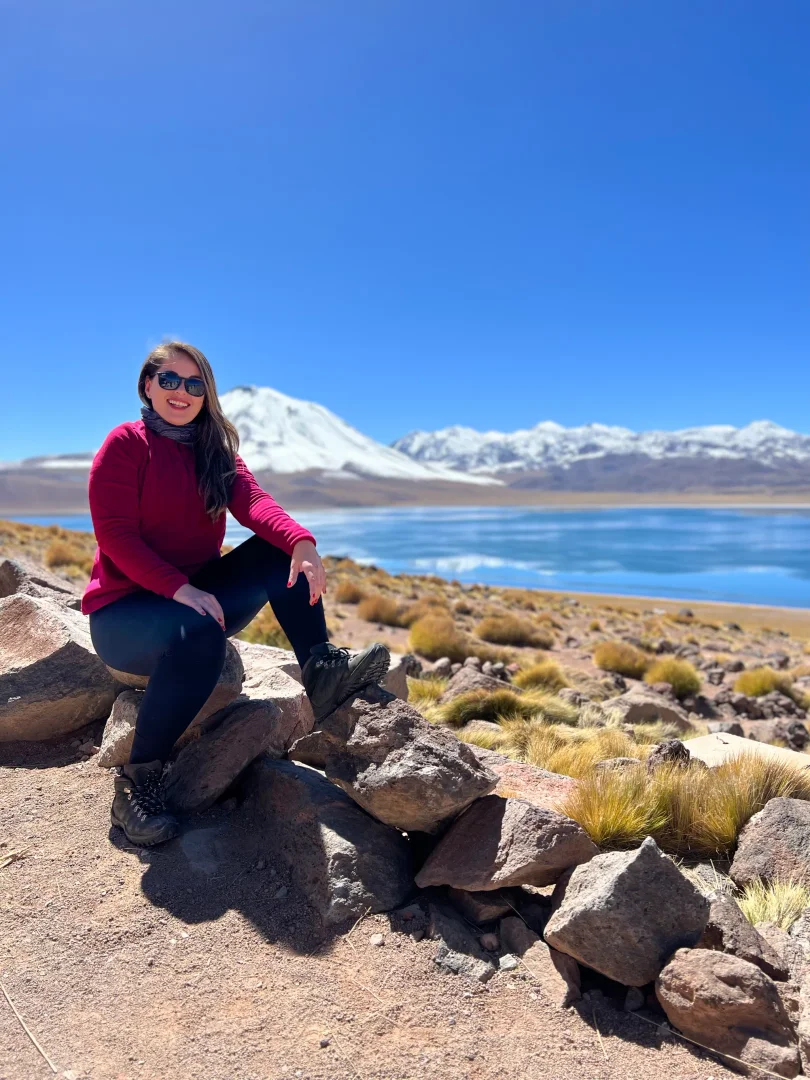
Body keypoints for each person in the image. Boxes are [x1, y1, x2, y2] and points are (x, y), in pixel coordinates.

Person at [82, 341, 389, 848]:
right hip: (126, 613)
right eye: (170, 381)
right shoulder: (125, 444)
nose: (182, 392)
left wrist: (302, 542)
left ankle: (322, 672)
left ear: (207, 395)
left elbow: (254, 503)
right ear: (147, 386)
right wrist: (177, 588)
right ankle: (136, 784)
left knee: (275, 554)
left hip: (193, 598)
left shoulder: (214, 453)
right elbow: (117, 538)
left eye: (194, 384)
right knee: (200, 633)